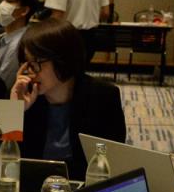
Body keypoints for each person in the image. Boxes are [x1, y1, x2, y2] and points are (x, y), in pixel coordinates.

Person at [11, 18, 125, 179]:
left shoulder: (103, 97)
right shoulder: (22, 95)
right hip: (31, 188)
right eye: (26, 63)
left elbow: (113, 162)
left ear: (63, 59)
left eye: (36, 62)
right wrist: (14, 112)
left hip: (82, 188)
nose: (30, 72)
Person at [0, 0, 40, 90]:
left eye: (10, 1)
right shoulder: (9, 37)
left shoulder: (18, 44)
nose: (2, 5)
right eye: (2, 0)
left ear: (24, 11)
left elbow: (1, 85)